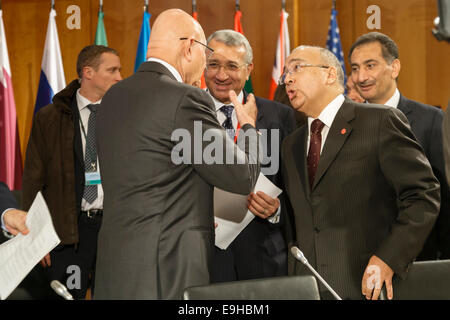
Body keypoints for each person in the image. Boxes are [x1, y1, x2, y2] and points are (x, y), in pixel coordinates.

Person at [94, 9, 260, 300]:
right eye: (206, 54)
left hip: (116, 267)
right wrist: (248, 127)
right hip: (166, 269)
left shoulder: (112, 97)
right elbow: (241, 175)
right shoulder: (185, 98)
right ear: (189, 48)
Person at [280, 45, 440, 300]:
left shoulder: (380, 121)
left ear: (330, 75)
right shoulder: (291, 144)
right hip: (307, 288)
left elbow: (423, 196)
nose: (287, 78)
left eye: (297, 67)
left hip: (367, 286)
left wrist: (390, 258)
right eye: (285, 72)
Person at [22, 45, 122, 299]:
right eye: (112, 70)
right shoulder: (50, 117)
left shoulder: (125, 115)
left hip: (114, 230)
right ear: (88, 73)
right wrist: (35, 237)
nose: (120, 77)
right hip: (68, 233)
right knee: (68, 295)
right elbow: (33, 180)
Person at [203, 29, 296, 282]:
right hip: (204, 258)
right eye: (213, 65)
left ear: (248, 69)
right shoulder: (186, 113)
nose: (221, 75)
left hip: (262, 255)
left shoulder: (280, 116)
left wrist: (277, 210)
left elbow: (298, 189)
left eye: (232, 66)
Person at [349, 31, 450, 260]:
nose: (361, 76)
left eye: (370, 65)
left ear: (394, 68)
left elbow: (443, 196)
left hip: (419, 258)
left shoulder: (431, 120)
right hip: (360, 259)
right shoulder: (345, 123)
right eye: (355, 68)